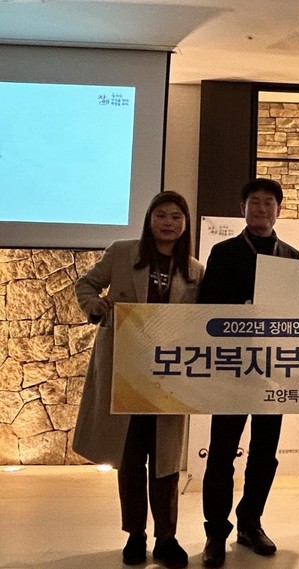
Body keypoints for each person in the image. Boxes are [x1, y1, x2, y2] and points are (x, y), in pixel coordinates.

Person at [73, 191, 204, 569]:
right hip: (125, 373)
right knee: (130, 458)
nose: (168, 223)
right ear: (149, 219)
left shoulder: (195, 271)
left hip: (168, 379)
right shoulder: (121, 253)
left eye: (176, 216)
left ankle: (166, 538)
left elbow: (203, 318)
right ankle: (135, 534)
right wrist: (95, 306)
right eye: (161, 215)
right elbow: (86, 285)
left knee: (165, 460)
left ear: (185, 224)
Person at [198, 178, 299, 568]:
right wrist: (239, 311)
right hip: (231, 369)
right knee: (221, 454)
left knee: (265, 454)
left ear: (279, 210)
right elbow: (205, 309)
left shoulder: (291, 256)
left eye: (268, 203)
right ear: (242, 208)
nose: (261, 209)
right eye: (254, 202)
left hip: (274, 370)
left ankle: (250, 523)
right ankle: (215, 533)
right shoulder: (223, 252)